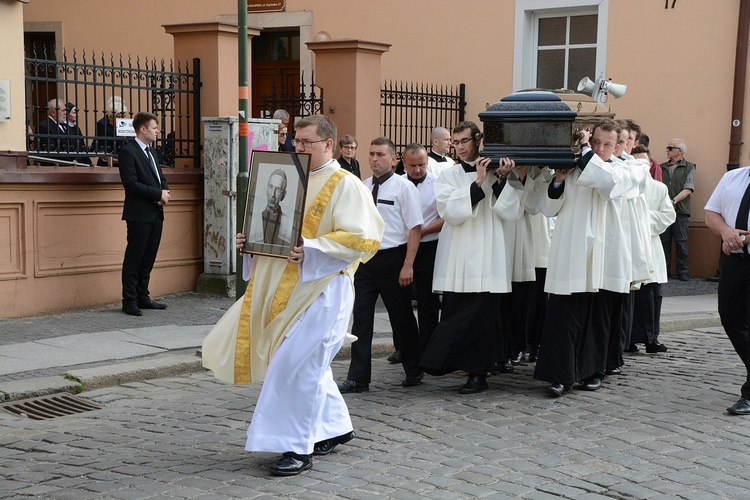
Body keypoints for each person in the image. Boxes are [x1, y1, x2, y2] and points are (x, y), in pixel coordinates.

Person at [201, 114, 384, 476]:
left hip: (322, 290)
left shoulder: (345, 184)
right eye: (295, 141)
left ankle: (296, 447)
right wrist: (252, 243)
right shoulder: (282, 177)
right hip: (282, 286)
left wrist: (312, 249)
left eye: (305, 143)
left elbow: (364, 238)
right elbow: (274, 230)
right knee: (305, 364)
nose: (296, 148)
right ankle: (334, 427)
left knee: (295, 366)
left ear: (328, 144)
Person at [533, 119, 635, 397]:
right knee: (563, 316)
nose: (600, 148)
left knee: (597, 317)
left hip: (603, 253)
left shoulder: (626, 169)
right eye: (595, 142)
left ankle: (594, 371)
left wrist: (585, 152)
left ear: (617, 146)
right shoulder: (575, 169)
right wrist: (558, 180)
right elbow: (548, 208)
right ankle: (560, 376)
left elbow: (608, 184)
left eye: (606, 144)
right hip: (571, 250)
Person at [419, 121, 522, 394]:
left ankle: (478, 374)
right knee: (455, 313)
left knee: (484, 318)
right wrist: (478, 182)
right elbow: (450, 212)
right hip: (458, 255)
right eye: (456, 142)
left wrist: (498, 180)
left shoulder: (500, 173)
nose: (460, 147)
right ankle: (444, 361)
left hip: (490, 254)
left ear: (478, 140)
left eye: (465, 141)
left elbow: (512, 213)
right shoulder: (448, 176)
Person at [339, 137, 425, 393]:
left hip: (393, 258)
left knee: (401, 318)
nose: (375, 159)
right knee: (361, 320)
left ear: (393, 158)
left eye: (380, 154)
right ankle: (358, 378)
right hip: (366, 261)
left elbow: (415, 228)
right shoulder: (363, 187)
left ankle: (414, 368)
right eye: (371, 154)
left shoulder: (404, 187)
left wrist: (408, 265)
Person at [704, 165, 750, 416]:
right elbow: (712, 212)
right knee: (731, 318)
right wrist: (726, 232)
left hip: (741, 250)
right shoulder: (733, 177)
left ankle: (749, 394)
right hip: (733, 261)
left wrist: (742, 238)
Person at [118, 112, 171, 317]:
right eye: (154, 127)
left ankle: (143, 296)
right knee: (135, 257)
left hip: (156, 213)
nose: (157, 131)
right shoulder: (128, 152)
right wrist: (157, 194)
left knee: (148, 257)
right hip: (139, 214)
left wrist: (164, 192)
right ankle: (129, 300)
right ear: (143, 129)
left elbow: (160, 177)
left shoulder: (152, 152)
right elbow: (130, 184)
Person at [629, 145, 675, 353]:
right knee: (630, 298)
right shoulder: (624, 186)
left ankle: (651, 338)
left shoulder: (658, 188)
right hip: (628, 247)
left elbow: (668, 216)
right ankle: (628, 339)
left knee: (652, 296)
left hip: (650, 244)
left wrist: (641, 219)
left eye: (644, 163)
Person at [401, 143, 444, 348]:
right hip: (402, 248)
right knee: (401, 301)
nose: (417, 170)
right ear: (403, 163)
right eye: (412, 165)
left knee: (428, 300)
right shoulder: (397, 183)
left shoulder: (438, 184)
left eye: (422, 165)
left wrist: (419, 232)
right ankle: (404, 346)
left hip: (429, 247)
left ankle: (428, 345)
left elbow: (444, 218)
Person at [660, 138, 695, 281]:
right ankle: (664, 271)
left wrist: (673, 201)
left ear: (680, 151)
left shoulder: (689, 167)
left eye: (670, 148)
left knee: (681, 242)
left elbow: (688, 188)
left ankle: (683, 272)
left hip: (680, 211)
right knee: (663, 242)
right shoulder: (661, 167)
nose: (667, 150)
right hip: (662, 211)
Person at [247, 168, 292, 246]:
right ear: (266, 189)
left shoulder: (290, 224)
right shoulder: (253, 222)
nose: (272, 195)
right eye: (271, 187)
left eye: (277, 189)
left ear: (283, 195)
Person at [93, 96, 128, 166]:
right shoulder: (104, 128)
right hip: (110, 165)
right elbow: (103, 155)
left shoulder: (126, 126)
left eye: (123, 117)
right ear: (111, 117)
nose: (122, 119)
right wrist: (122, 161)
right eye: (119, 117)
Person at [36, 98, 68, 164]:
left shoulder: (64, 126)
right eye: (63, 110)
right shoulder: (44, 126)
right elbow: (51, 150)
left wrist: (76, 159)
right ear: (53, 113)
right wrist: (70, 161)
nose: (65, 113)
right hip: (56, 165)